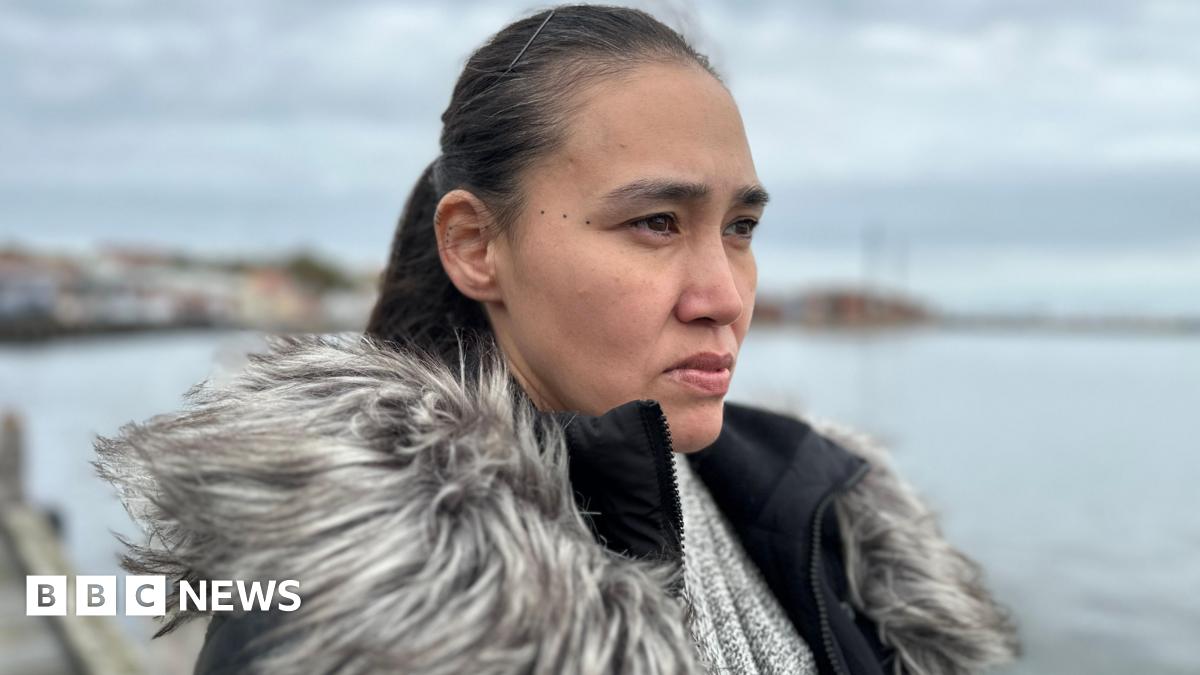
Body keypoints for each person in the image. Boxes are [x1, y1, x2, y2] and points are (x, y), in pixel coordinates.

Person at [94, 5, 1020, 674]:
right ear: (475, 246)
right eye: (656, 222)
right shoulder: (347, 599)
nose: (722, 297)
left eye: (739, 228)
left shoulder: (821, 502)